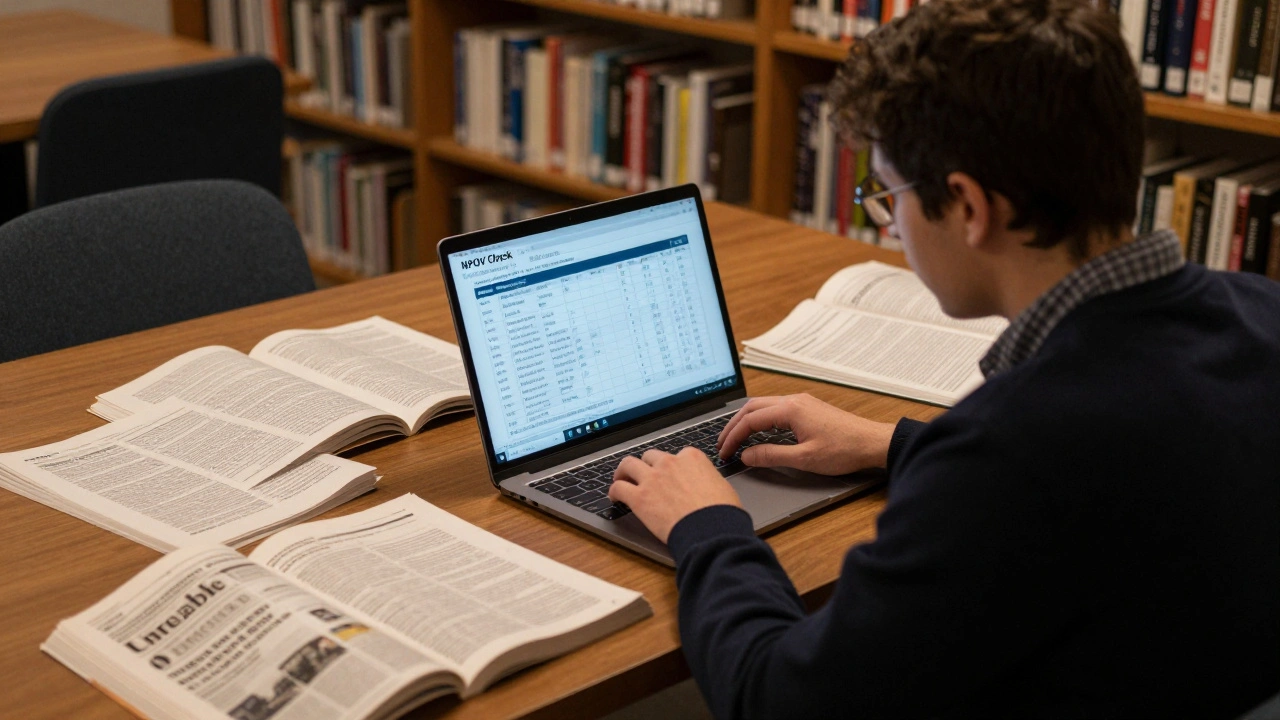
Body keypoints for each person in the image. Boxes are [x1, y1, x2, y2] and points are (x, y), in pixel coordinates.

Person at [606, 0, 1280, 716]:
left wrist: (706, 525)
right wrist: (892, 445)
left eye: (888, 194)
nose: (890, 222)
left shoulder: (1013, 452)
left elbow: (776, 699)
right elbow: (1121, 469)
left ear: (967, 206)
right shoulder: (1261, 314)